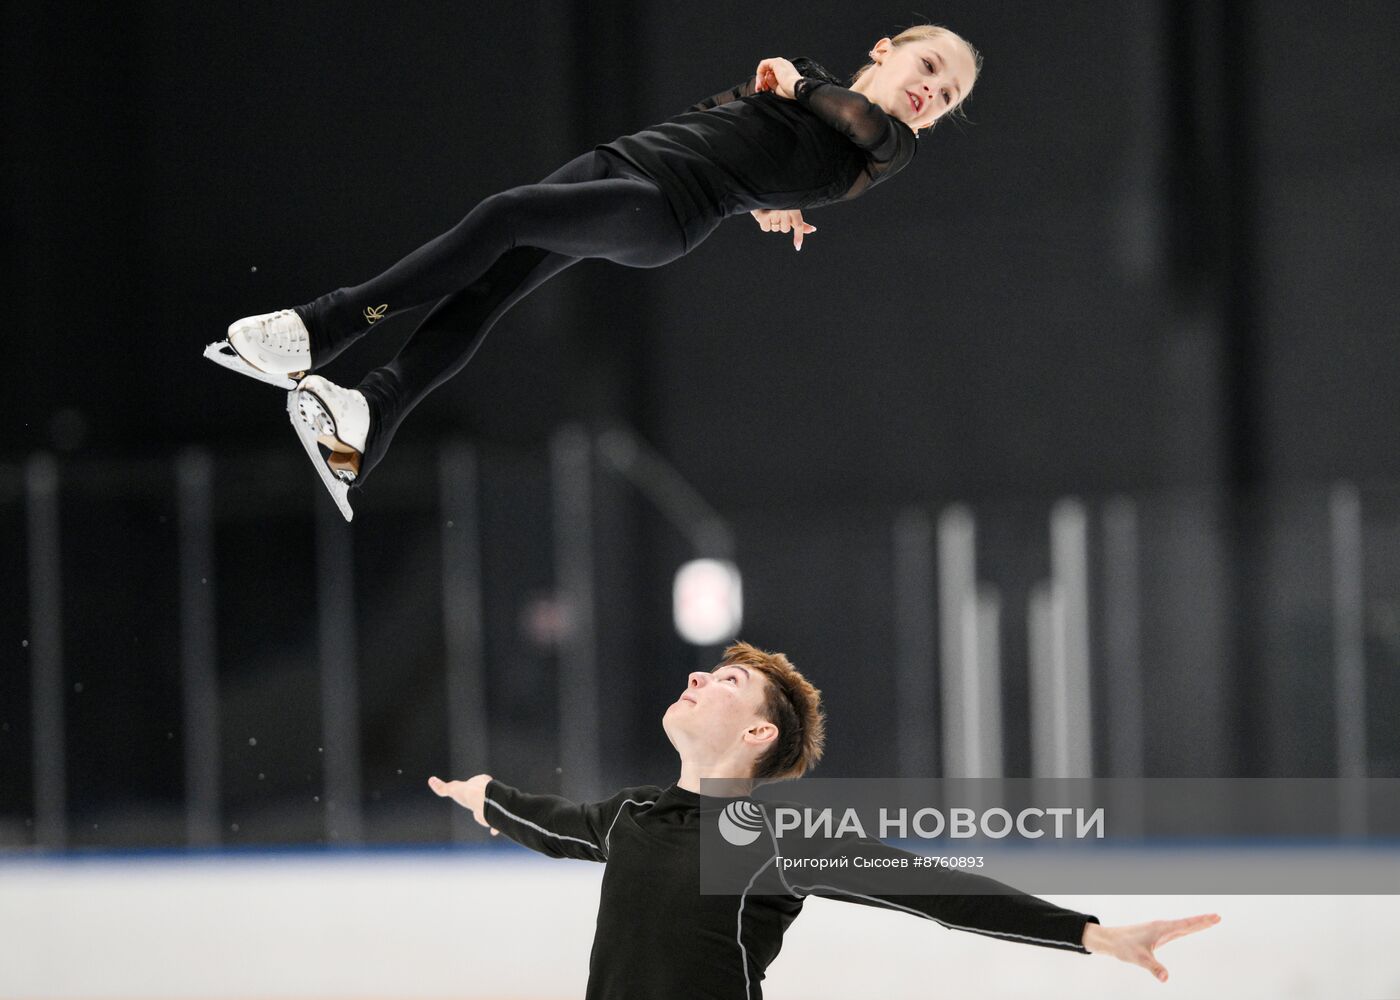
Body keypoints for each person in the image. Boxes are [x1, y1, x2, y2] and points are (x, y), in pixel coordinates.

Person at [204, 25, 983, 520]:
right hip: (623, 164)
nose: (931, 91)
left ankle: (320, 328)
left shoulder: (883, 148)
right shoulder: (808, 78)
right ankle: (366, 426)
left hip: (664, 212)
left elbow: (857, 123)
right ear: (885, 48)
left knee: (505, 216)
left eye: (946, 96)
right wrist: (767, 163)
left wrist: (793, 91)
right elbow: (725, 117)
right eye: (928, 66)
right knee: (490, 284)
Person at [429, 641, 1220, 999]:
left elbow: (934, 890)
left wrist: (1087, 932)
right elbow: (560, 824)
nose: (699, 676)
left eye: (728, 679)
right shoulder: (631, 815)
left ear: (757, 734)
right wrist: (487, 796)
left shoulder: (779, 842)